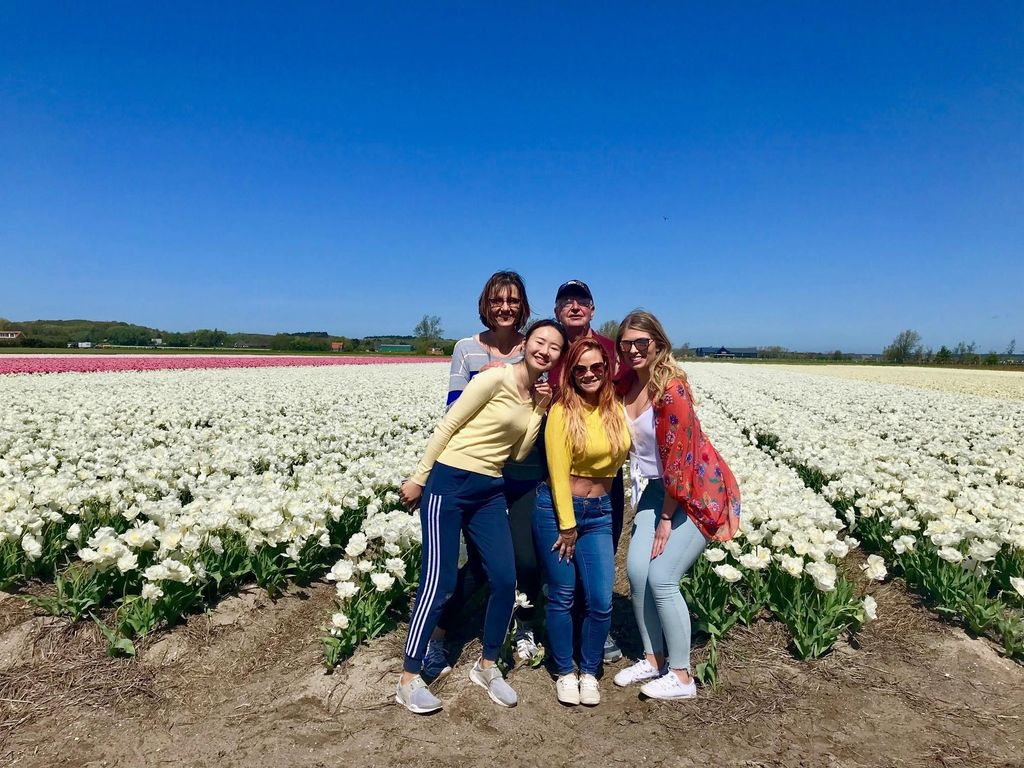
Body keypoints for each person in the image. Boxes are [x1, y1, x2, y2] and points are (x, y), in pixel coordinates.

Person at [396, 319, 567, 714]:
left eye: (554, 347)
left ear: (559, 356)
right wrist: (420, 477)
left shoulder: (532, 396)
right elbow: (449, 423)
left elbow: (519, 453)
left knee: (505, 579)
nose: (545, 350)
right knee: (439, 581)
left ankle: (487, 666)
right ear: (527, 343)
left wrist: (540, 408)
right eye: (540, 341)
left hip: (490, 488)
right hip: (450, 482)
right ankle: (408, 678)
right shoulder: (495, 379)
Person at [421, 271, 547, 680]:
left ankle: (524, 627)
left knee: (523, 558)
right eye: (497, 301)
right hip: (476, 470)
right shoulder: (466, 349)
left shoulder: (537, 347)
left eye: (512, 301)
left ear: (523, 306)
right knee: (469, 562)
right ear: (486, 305)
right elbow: (454, 409)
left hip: (523, 469)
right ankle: (438, 635)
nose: (504, 308)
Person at [612, 310, 741, 700]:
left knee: (662, 576)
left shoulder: (672, 390)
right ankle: (653, 659)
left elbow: (681, 463)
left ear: (658, 344)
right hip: (658, 488)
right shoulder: (625, 386)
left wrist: (667, 519)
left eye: (641, 343)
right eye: (626, 344)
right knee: (637, 572)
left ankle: (683, 677)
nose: (633, 350)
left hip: (697, 490)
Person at [534, 337, 630, 705]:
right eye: (580, 369)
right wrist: (567, 524)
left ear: (607, 369)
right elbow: (558, 472)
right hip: (558, 512)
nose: (589, 374)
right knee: (562, 594)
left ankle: (589, 671)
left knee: (601, 598)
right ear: (570, 374)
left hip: (601, 511)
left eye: (596, 367)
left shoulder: (615, 408)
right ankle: (564, 671)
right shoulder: (562, 410)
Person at [550, 279, 626, 664]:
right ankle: (546, 627)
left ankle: (596, 625)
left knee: (600, 553)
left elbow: (634, 390)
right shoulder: (550, 348)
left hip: (602, 472)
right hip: (553, 463)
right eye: (566, 301)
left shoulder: (612, 351)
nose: (575, 305)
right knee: (556, 555)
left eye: (582, 300)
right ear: (557, 310)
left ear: (593, 309)